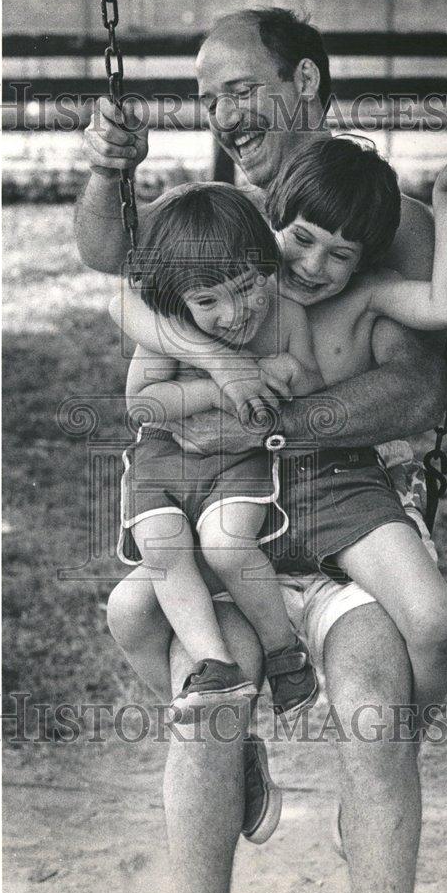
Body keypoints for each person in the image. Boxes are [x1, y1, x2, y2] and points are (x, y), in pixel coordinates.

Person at [75, 7, 447, 893]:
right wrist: (108, 168)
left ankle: (370, 828)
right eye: (207, 100)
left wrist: (261, 425)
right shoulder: (224, 218)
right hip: (222, 507)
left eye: (240, 90)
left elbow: (418, 392)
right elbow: (109, 255)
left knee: (377, 709)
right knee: (208, 711)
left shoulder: (389, 222)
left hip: (346, 506)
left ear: (303, 82)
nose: (223, 115)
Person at [113, 132, 447, 731]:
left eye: (341, 255)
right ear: (271, 220)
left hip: (326, 485)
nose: (313, 266)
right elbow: (126, 299)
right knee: (130, 608)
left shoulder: (364, 296)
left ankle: (401, 739)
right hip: (223, 488)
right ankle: (229, 730)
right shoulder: (239, 273)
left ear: (364, 261)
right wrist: (223, 365)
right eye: (302, 239)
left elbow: (446, 308)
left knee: (436, 622)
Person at [118, 182, 321, 722]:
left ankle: (284, 653)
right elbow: (141, 406)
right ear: (176, 300)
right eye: (208, 300)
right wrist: (215, 386)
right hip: (163, 462)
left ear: (267, 268)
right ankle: (214, 664)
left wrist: (284, 375)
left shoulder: (284, 318)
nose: (233, 314)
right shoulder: (169, 332)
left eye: (246, 287)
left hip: (236, 462)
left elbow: (306, 378)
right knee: (164, 549)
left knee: (227, 546)